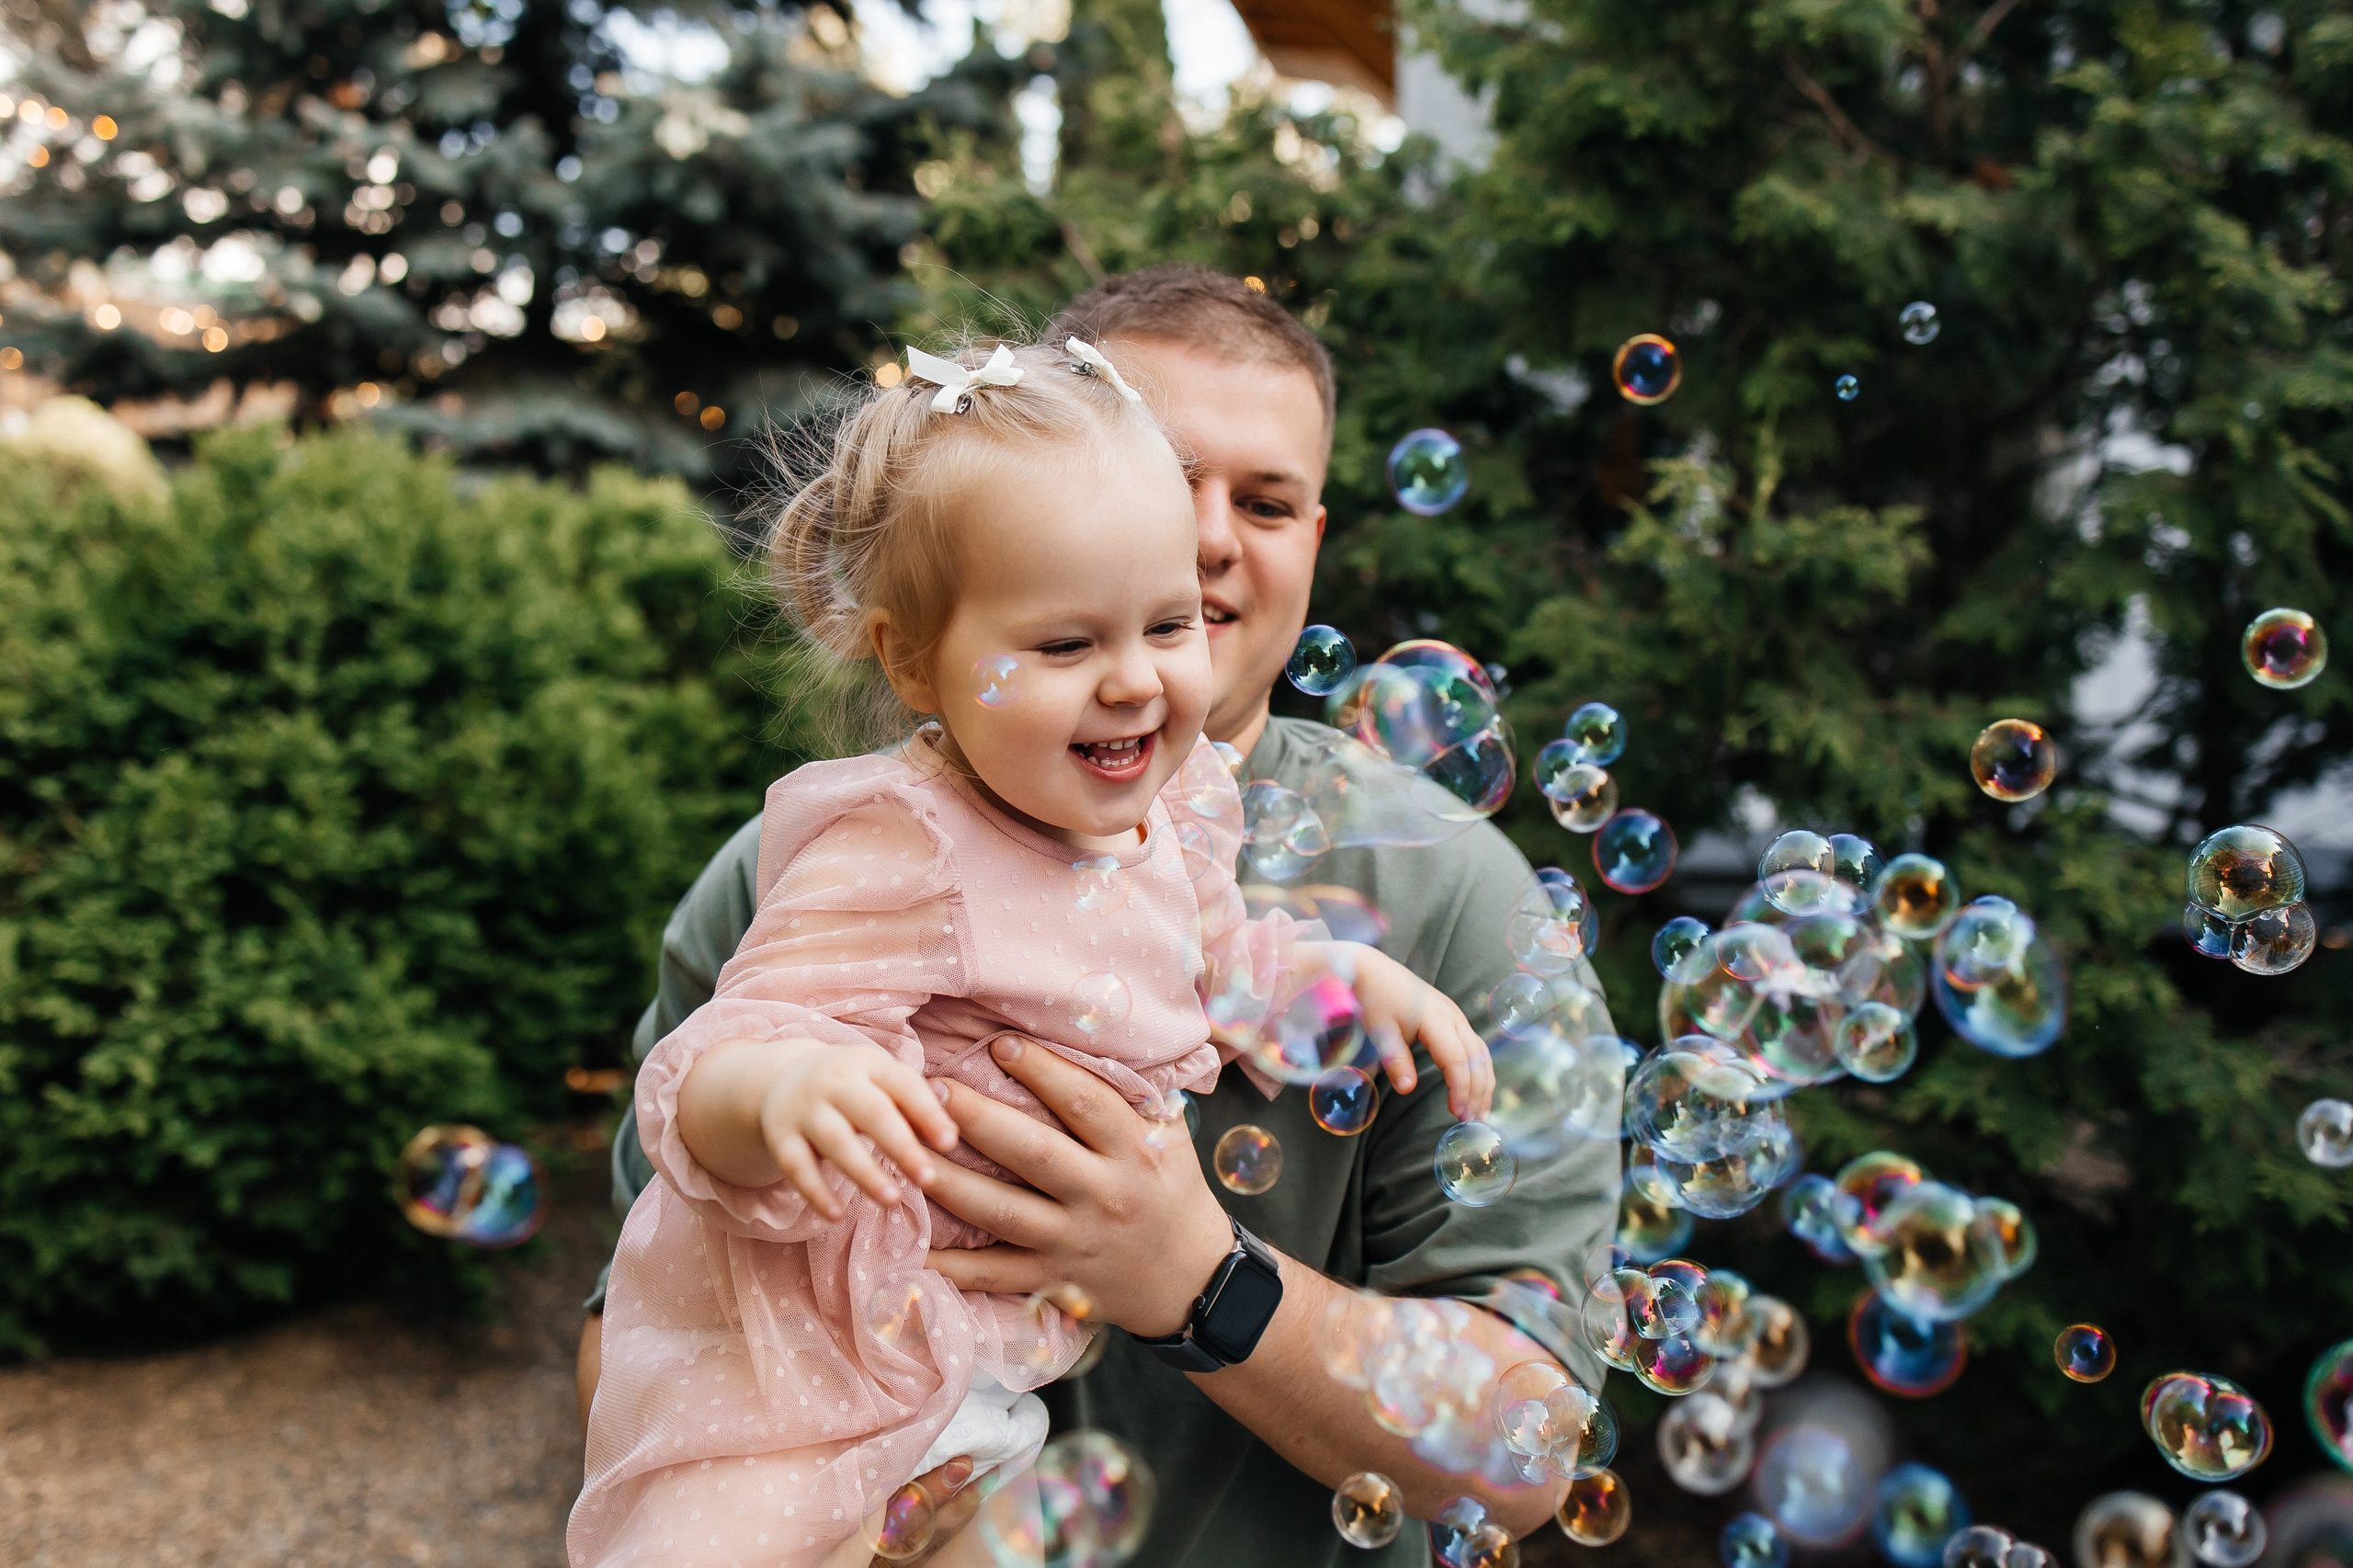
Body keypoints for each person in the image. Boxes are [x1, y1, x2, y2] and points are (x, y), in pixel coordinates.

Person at [577, 266, 1621, 1564]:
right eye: (1172, 477)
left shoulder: (1450, 897)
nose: (1212, 532)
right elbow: (635, 1325)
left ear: (1317, 533)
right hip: (877, 1430)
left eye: (1269, 500)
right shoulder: (822, 862)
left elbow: (1526, 1455)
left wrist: (1195, 1273)